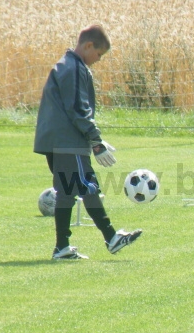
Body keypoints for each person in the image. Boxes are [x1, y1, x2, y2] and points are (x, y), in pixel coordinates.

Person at [34, 24, 142, 260]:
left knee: (67, 192)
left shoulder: (66, 65)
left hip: (58, 141)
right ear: (88, 45)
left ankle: (62, 248)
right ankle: (111, 238)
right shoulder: (73, 68)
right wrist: (96, 140)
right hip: (68, 141)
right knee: (86, 186)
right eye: (99, 54)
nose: (99, 60)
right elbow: (77, 109)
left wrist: (96, 139)